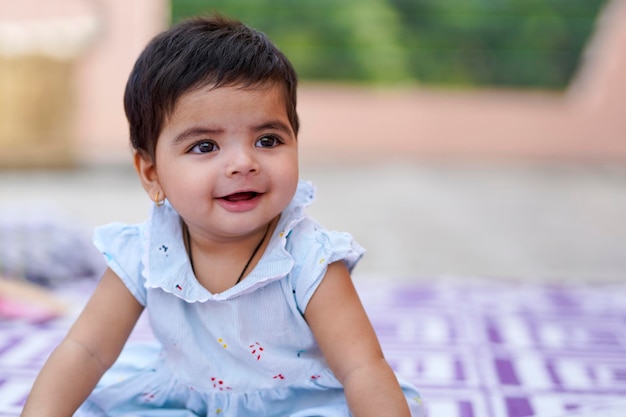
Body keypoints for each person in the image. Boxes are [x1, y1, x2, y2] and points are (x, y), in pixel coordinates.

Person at [21, 14, 424, 417]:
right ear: (152, 173)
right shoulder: (144, 252)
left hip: (297, 405)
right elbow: (86, 350)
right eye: (204, 146)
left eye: (268, 140)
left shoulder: (309, 258)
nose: (243, 163)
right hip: (186, 400)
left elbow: (361, 368)